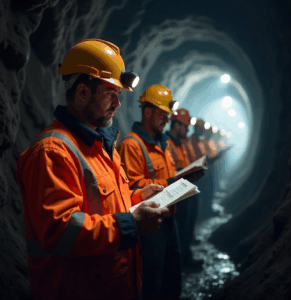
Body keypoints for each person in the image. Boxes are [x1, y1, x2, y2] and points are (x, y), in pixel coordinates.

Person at [16, 39, 170, 300]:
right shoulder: (53, 151)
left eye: (119, 96)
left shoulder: (100, 146)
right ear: (83, 93)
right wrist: (131, 223)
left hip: (112, 284)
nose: (118, 104)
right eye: (111, 94)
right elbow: (60, 231)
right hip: (77, 289)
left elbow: (100, 205)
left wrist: (137, 199)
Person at [117, 85, 204, 300]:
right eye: (162, 114)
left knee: (172, 275)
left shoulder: (162, 144)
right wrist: (172, 181)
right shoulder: (132, 145)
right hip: (150, 225)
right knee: (152, 280)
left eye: (168, 115)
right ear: (147, 112)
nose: (167, 119)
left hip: (169, 218)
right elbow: (133, 188)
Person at [166, 109, 205, 270]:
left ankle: (185, 258)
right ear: (177, 125)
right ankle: (181, 263)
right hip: (175, 194)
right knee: (179, 230)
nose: (188, 129)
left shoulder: (181, 143)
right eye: (186, 126)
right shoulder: (167, 144)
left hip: (186, 190)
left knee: (187, 226)